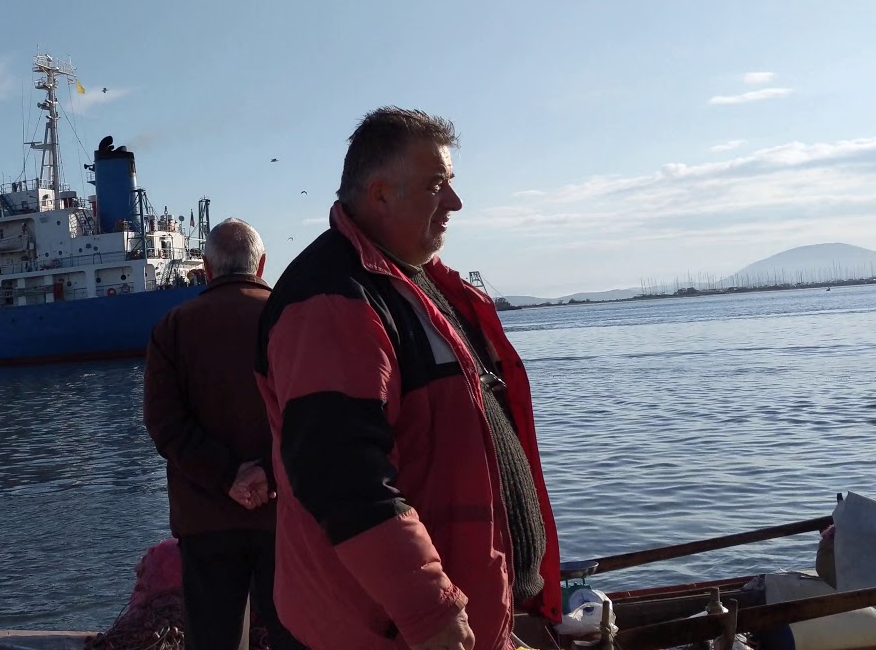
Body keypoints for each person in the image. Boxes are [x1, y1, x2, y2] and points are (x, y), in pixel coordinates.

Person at [255, 107, 563, 650]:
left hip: (456, 620)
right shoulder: (331, 300)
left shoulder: (409, 283)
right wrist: (428, 609)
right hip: (393, 633)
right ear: (380, 194)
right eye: (436, 185)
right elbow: (341, 472)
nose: (455, 202)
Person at [143, 218, 304, 650]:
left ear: (206, 268)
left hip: (205, 521)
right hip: (286, 518)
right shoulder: (293, 319)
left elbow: (164, 423)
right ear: (262, 264)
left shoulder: (172, 328)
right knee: (298, 635)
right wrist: (268, 475)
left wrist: (227, 476)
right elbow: (317, 419)